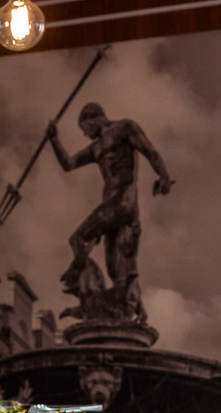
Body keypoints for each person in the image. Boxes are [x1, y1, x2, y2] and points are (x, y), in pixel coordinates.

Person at [47, 102, 173, 307]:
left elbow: (150, 152)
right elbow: (68, 164)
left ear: (92, 119)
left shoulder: (124, 127)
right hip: (111, 206)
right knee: (114, 268)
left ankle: (85, 288)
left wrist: (164, 176)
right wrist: (54, 140)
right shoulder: (95, 148)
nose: (85, 134)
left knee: (78, 238)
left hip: (122, 201)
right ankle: (121, 306)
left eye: (84, 129)